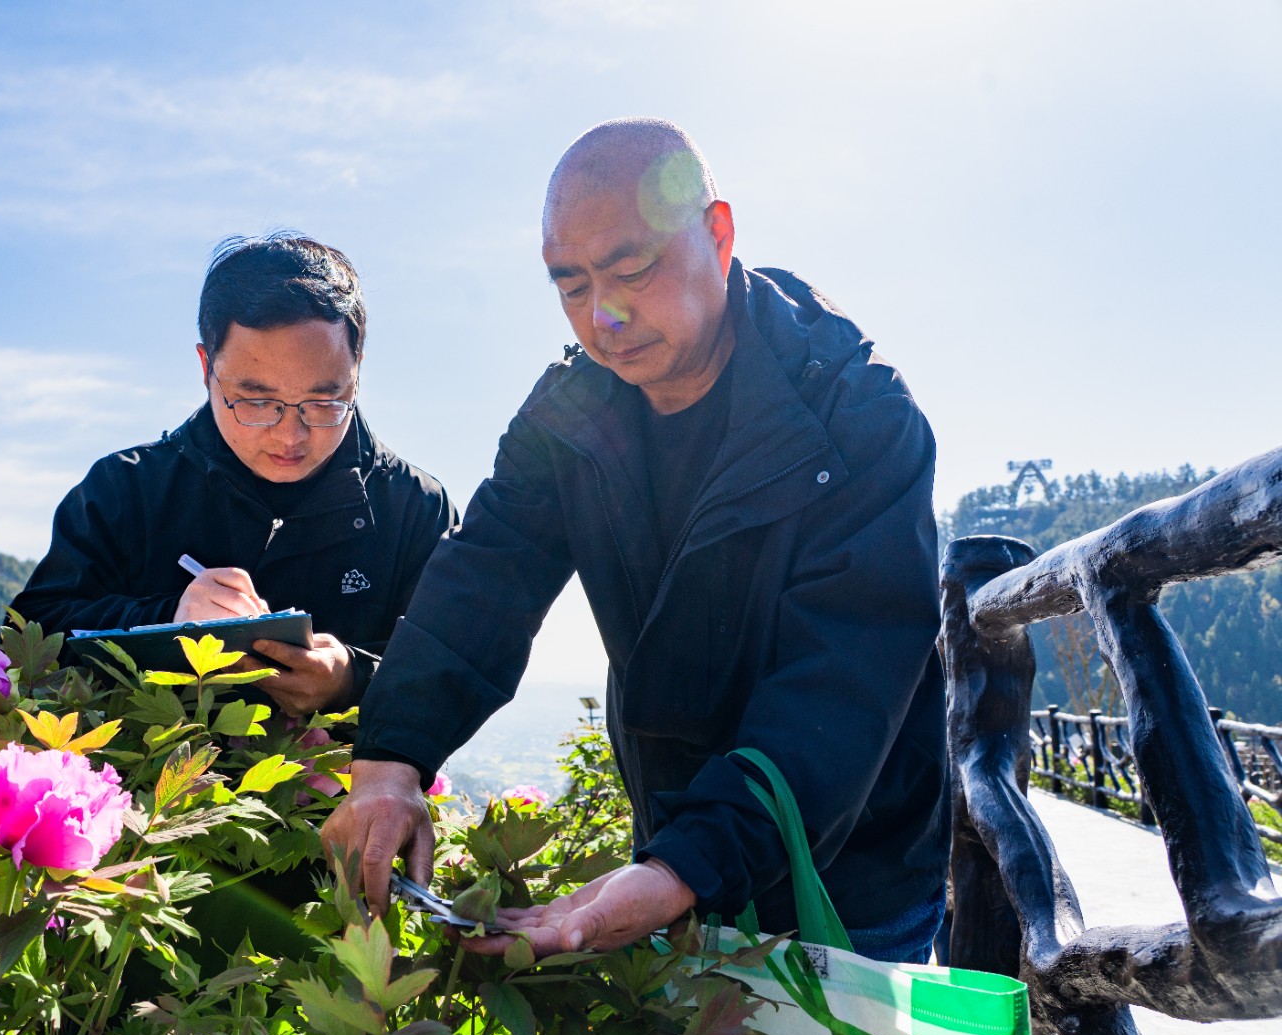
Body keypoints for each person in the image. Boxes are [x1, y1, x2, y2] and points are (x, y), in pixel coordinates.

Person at [322, 119, 949, 964]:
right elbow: (481, 583)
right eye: (570, 285)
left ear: (718, 234)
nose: (603, 316)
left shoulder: (856, 415)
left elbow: (842, 681)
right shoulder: (570, 419)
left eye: (632, 270)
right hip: (678, 848)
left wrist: (683, 867)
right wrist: (392, 758)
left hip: (853, 872)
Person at [13, 233, 458, 718]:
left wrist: (352, 679)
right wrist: (167, 623)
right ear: (207, 368)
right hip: (148, 789)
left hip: (345, 793)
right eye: (257, 402)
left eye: (325, 401)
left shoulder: (416, 508)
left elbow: (455, 669)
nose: (291, 435)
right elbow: (28, 642)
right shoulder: (123, 491)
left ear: (357, 372)